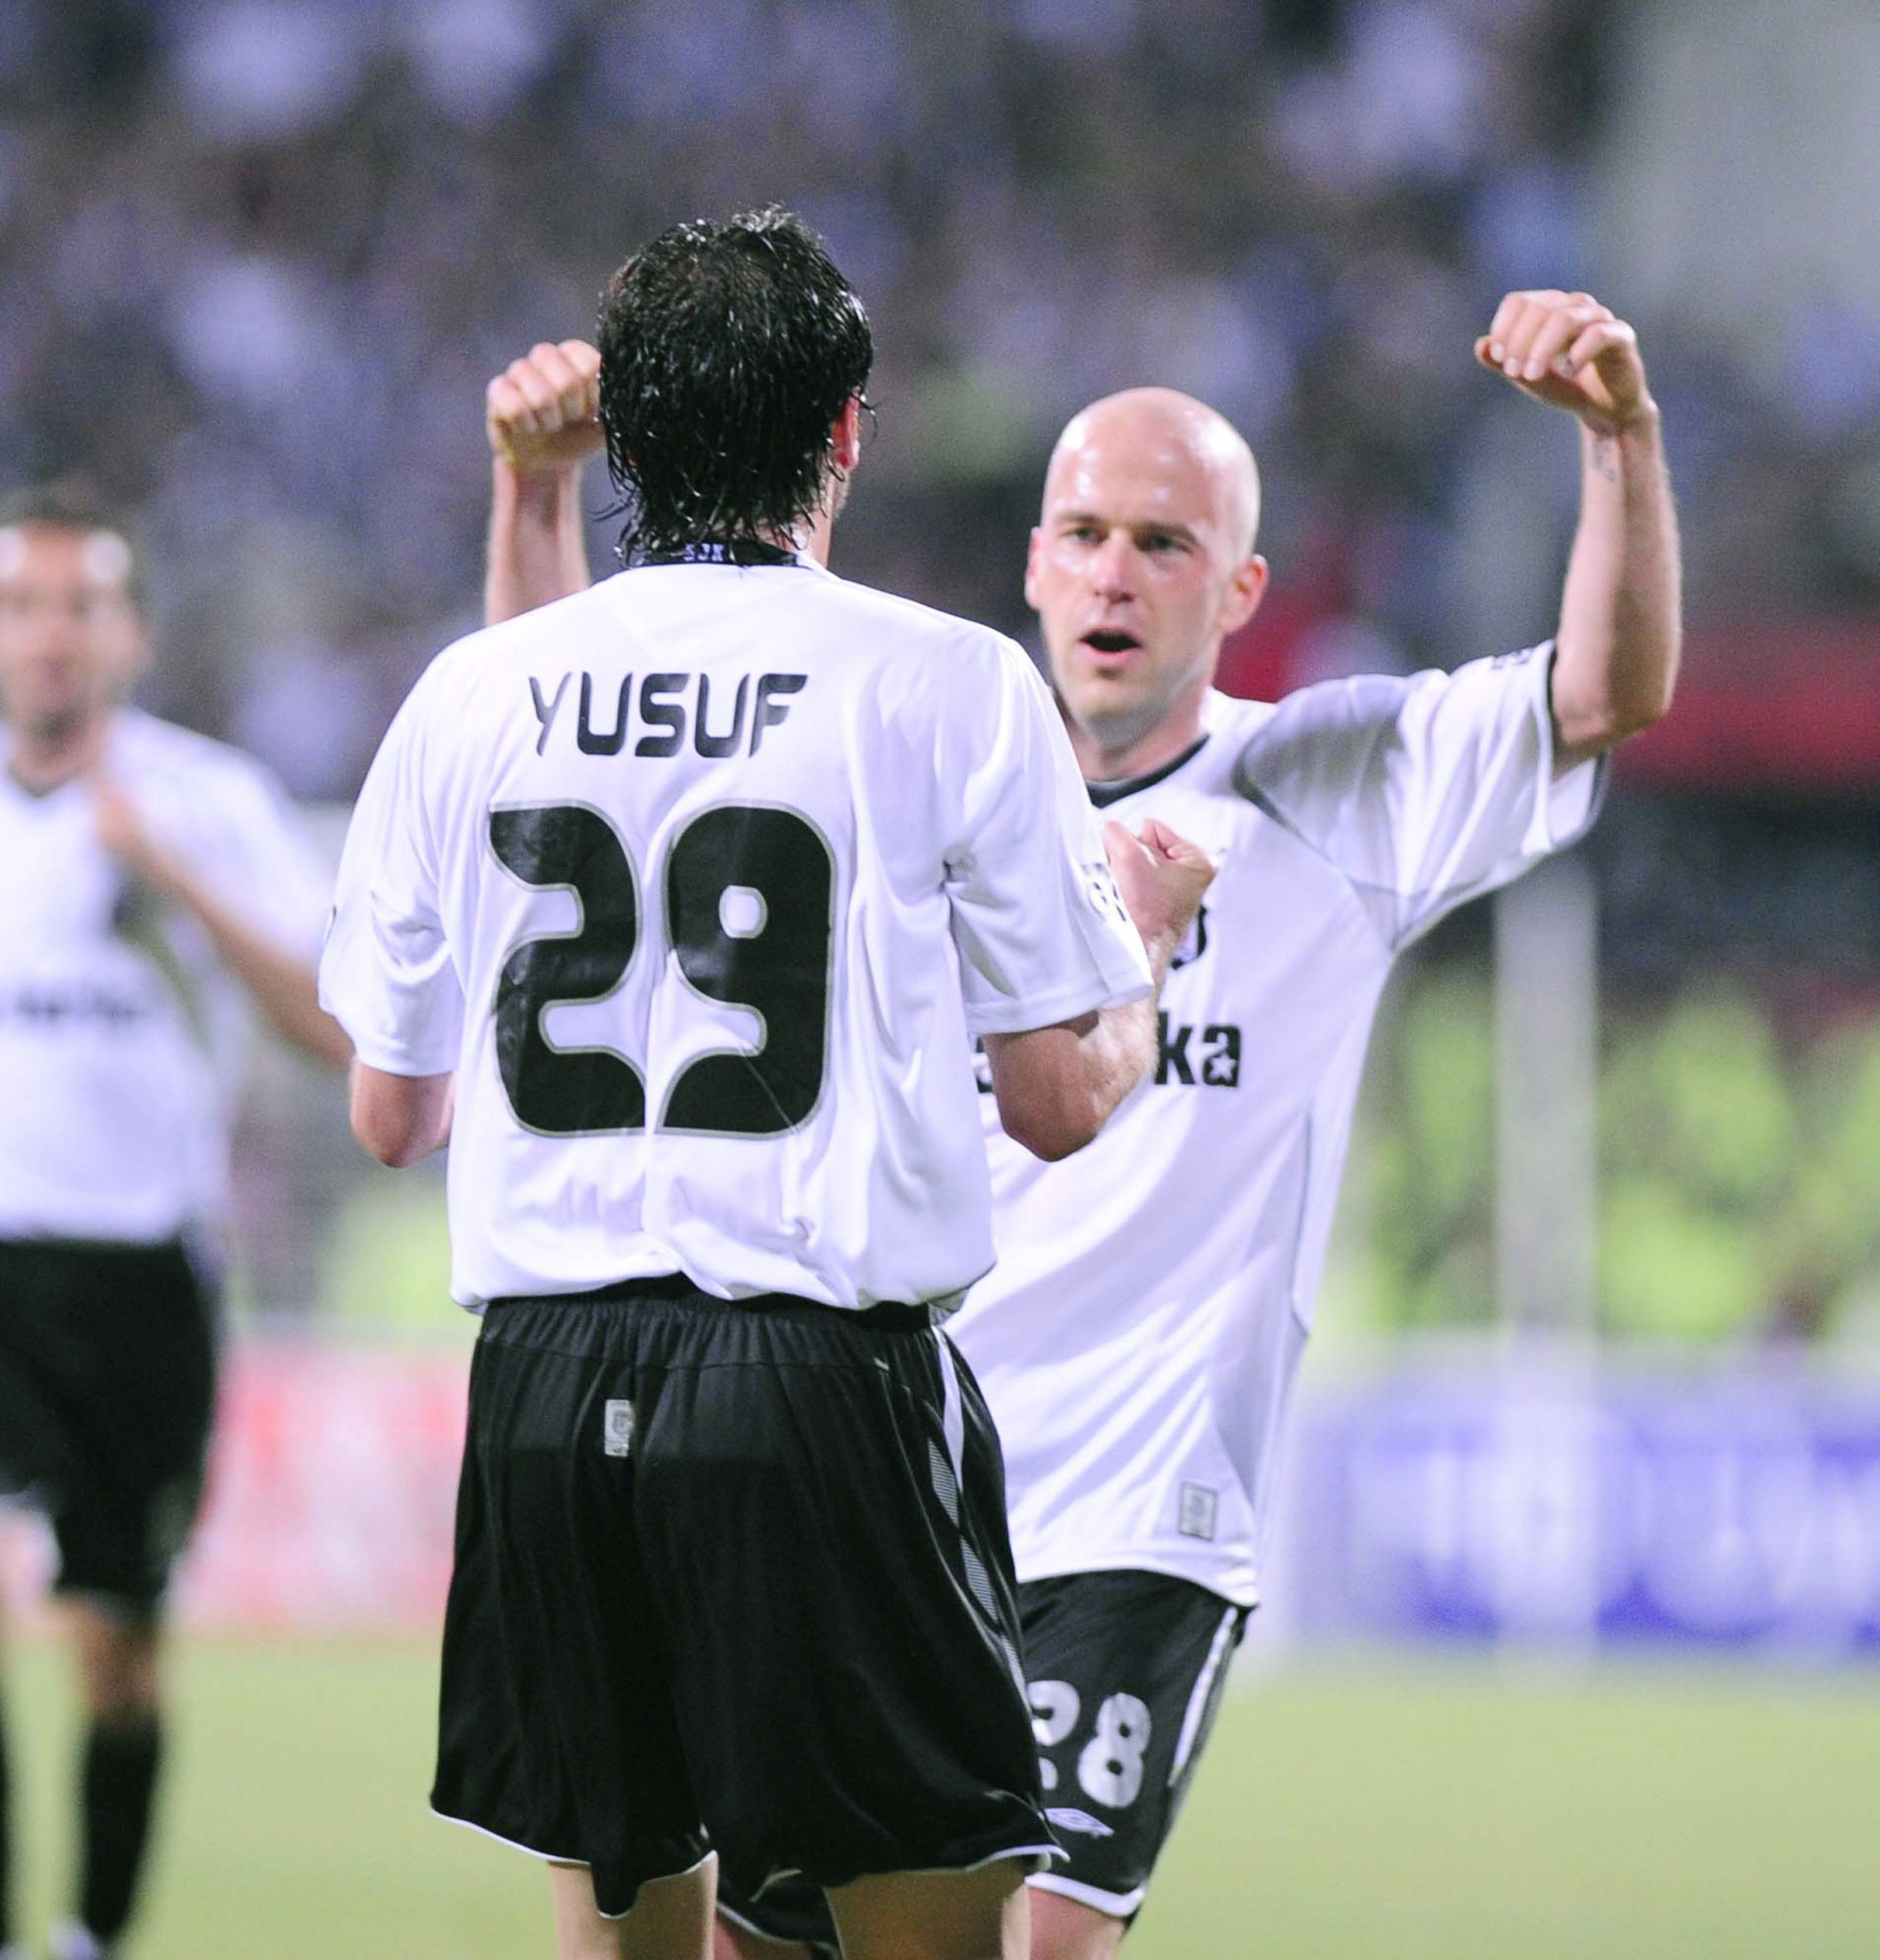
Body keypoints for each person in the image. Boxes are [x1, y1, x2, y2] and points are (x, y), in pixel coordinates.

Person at [479, 285, 1681, 1960]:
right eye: (1086, 533)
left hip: (1130, 1518)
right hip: (870, 1477)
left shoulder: (1321, 788)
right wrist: (536, 498)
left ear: (1240, 590)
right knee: (767, 1945)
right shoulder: (924, 765)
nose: (1115, 572)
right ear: (1034, 560)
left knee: (1033, 1941)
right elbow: (583, 761)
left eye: (1166, 544)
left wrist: (1617, 440)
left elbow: (1600, 696)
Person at [318, 207, 1216, 1960]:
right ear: (847, 433)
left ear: (621, 444)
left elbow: (387, 1115)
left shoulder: (469, 693)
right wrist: (1153, 949)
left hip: (546, 1395)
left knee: (630, 1940)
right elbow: (1054, 1100)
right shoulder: (949, 683)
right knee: (925, 1932)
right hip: (818, 1381)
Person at [0, 481, 351, 1960]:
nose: (50, 636)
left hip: (138, 1266)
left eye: (80, 606)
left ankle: (90, 1938)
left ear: (130, 634)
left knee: (119, 1655)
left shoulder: (212, 802)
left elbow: (333, 1026)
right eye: (21, 606)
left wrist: (170, 872)